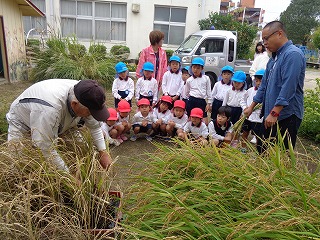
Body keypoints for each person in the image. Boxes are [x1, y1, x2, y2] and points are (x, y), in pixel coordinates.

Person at [6, 79, 112, 171]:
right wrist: (69, 177)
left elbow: (94, 126)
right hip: (22, 122)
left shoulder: (86, 93)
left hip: (61, 119)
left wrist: (103, 152)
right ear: (74, 104)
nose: (90, 115)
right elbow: (45, 147)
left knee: (82, 149)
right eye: (90, 112)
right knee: (18, 161)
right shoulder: (49, 110)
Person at [243, 21, 306, 153]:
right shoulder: (274, 58)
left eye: (266, 38)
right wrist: (251, 106)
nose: (264, 43)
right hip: (271, 115)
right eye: (263, 39)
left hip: (286, 115)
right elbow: (264, 85)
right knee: (263, 151)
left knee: (280, 157)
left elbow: (289, 86)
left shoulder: (293, 54)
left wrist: (275, 112)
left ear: (279, 34)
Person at [240, 69, 265, 148]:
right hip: (248, 117)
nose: (258, 83)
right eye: (256, 81)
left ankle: (258, 150)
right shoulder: (250, 90)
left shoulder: (267, 92)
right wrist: (245, 108)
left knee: (258, 136)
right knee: (245, 133)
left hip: (259, 119)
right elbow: (242, 100)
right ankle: (243, 148)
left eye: (261, 81)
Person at [185, 57, 212, 125]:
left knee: (204, 121)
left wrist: (209, 103)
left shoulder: (206, 78)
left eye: (198, 68)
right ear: (191, 68)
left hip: (201, 101)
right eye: (194, 67)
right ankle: (190, 132)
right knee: (190, 118)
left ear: (202, 68)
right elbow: (187, 92)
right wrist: (190, 99)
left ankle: (203, 132)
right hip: (192, 100)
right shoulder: (189, 80)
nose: (195, 70)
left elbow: (209, 91)